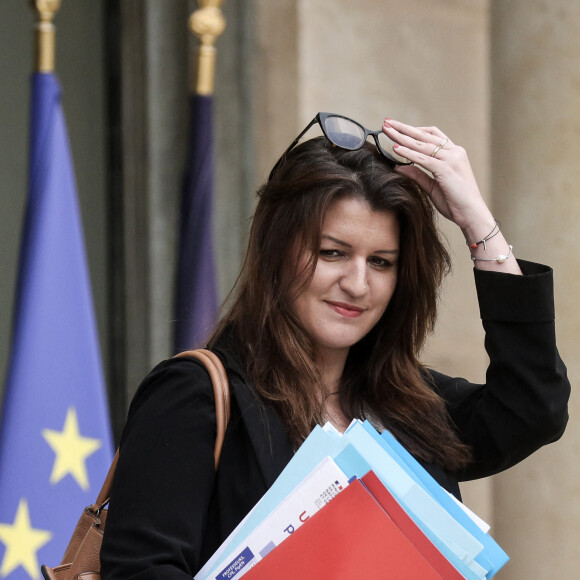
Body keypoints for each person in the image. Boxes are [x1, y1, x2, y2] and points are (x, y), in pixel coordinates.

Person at [100, 113, 570, 579]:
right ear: (276, 249)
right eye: (333, 253)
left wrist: (477, 223)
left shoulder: (413, 406)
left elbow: (533, 408)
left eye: (382, 262)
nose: (358, 284)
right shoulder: (194, 396)